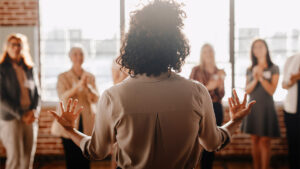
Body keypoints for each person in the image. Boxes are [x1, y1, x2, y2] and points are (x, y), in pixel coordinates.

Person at [50, 1, 255, 168]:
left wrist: (69, 130)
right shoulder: (197, 92)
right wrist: (235, 121)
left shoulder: (113, 97)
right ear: (177, 46)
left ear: (132, 46)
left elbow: (97, 151)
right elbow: (213, 143)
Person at [51, 46, 99, 169]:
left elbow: (96, 98)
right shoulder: (63, 76)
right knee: (71, 157)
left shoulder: (90, 76)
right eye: (75, 54)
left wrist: (88, 87)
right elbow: (63, 96)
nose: (78, 57)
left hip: (86, 121)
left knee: (86, 154)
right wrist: (78, 86)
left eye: (81, 54)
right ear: (70, 57)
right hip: (69, 119)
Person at [0, 33, 40, 169]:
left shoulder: (29, 68)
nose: (16, 48)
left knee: (27, 159)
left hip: (30, 117)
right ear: (7, 47)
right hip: (11, 118)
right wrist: (21, 114)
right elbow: (1, 98)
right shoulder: (2, 69)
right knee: (15, 160)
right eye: (13, 45)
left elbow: (37, 93)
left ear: (24, 47)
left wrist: (34, 111)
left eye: (19, 45)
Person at [241, 39, 280, 169]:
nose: (258, 49)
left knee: (265, 141)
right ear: (252, 51)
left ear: (266, 48)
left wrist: (261, 76)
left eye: (261, 46)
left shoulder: (274, 68)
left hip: (267, 107)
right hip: (253, 107)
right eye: (255, 47)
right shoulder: (250, 69)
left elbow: (271, 90)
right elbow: (247, 90)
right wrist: (256, 78)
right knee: (254, 139)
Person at [190, 43, 225, 169]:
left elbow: (221, 94)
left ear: (214, 53)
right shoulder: (196, 70)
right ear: (201, 55)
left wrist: (220, 85)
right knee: (197, 144)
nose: (208, 54)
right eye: (205, 51)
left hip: (216, 108)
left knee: (211, 144)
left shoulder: (219, 71)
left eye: (210, 51)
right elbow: (192, 92)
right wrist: (209, 87)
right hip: (200, 109)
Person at [282, 54, 300, 169]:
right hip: (292, 110)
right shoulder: (292, 59)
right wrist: (294, 79)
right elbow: (284, 84)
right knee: (293, 145)